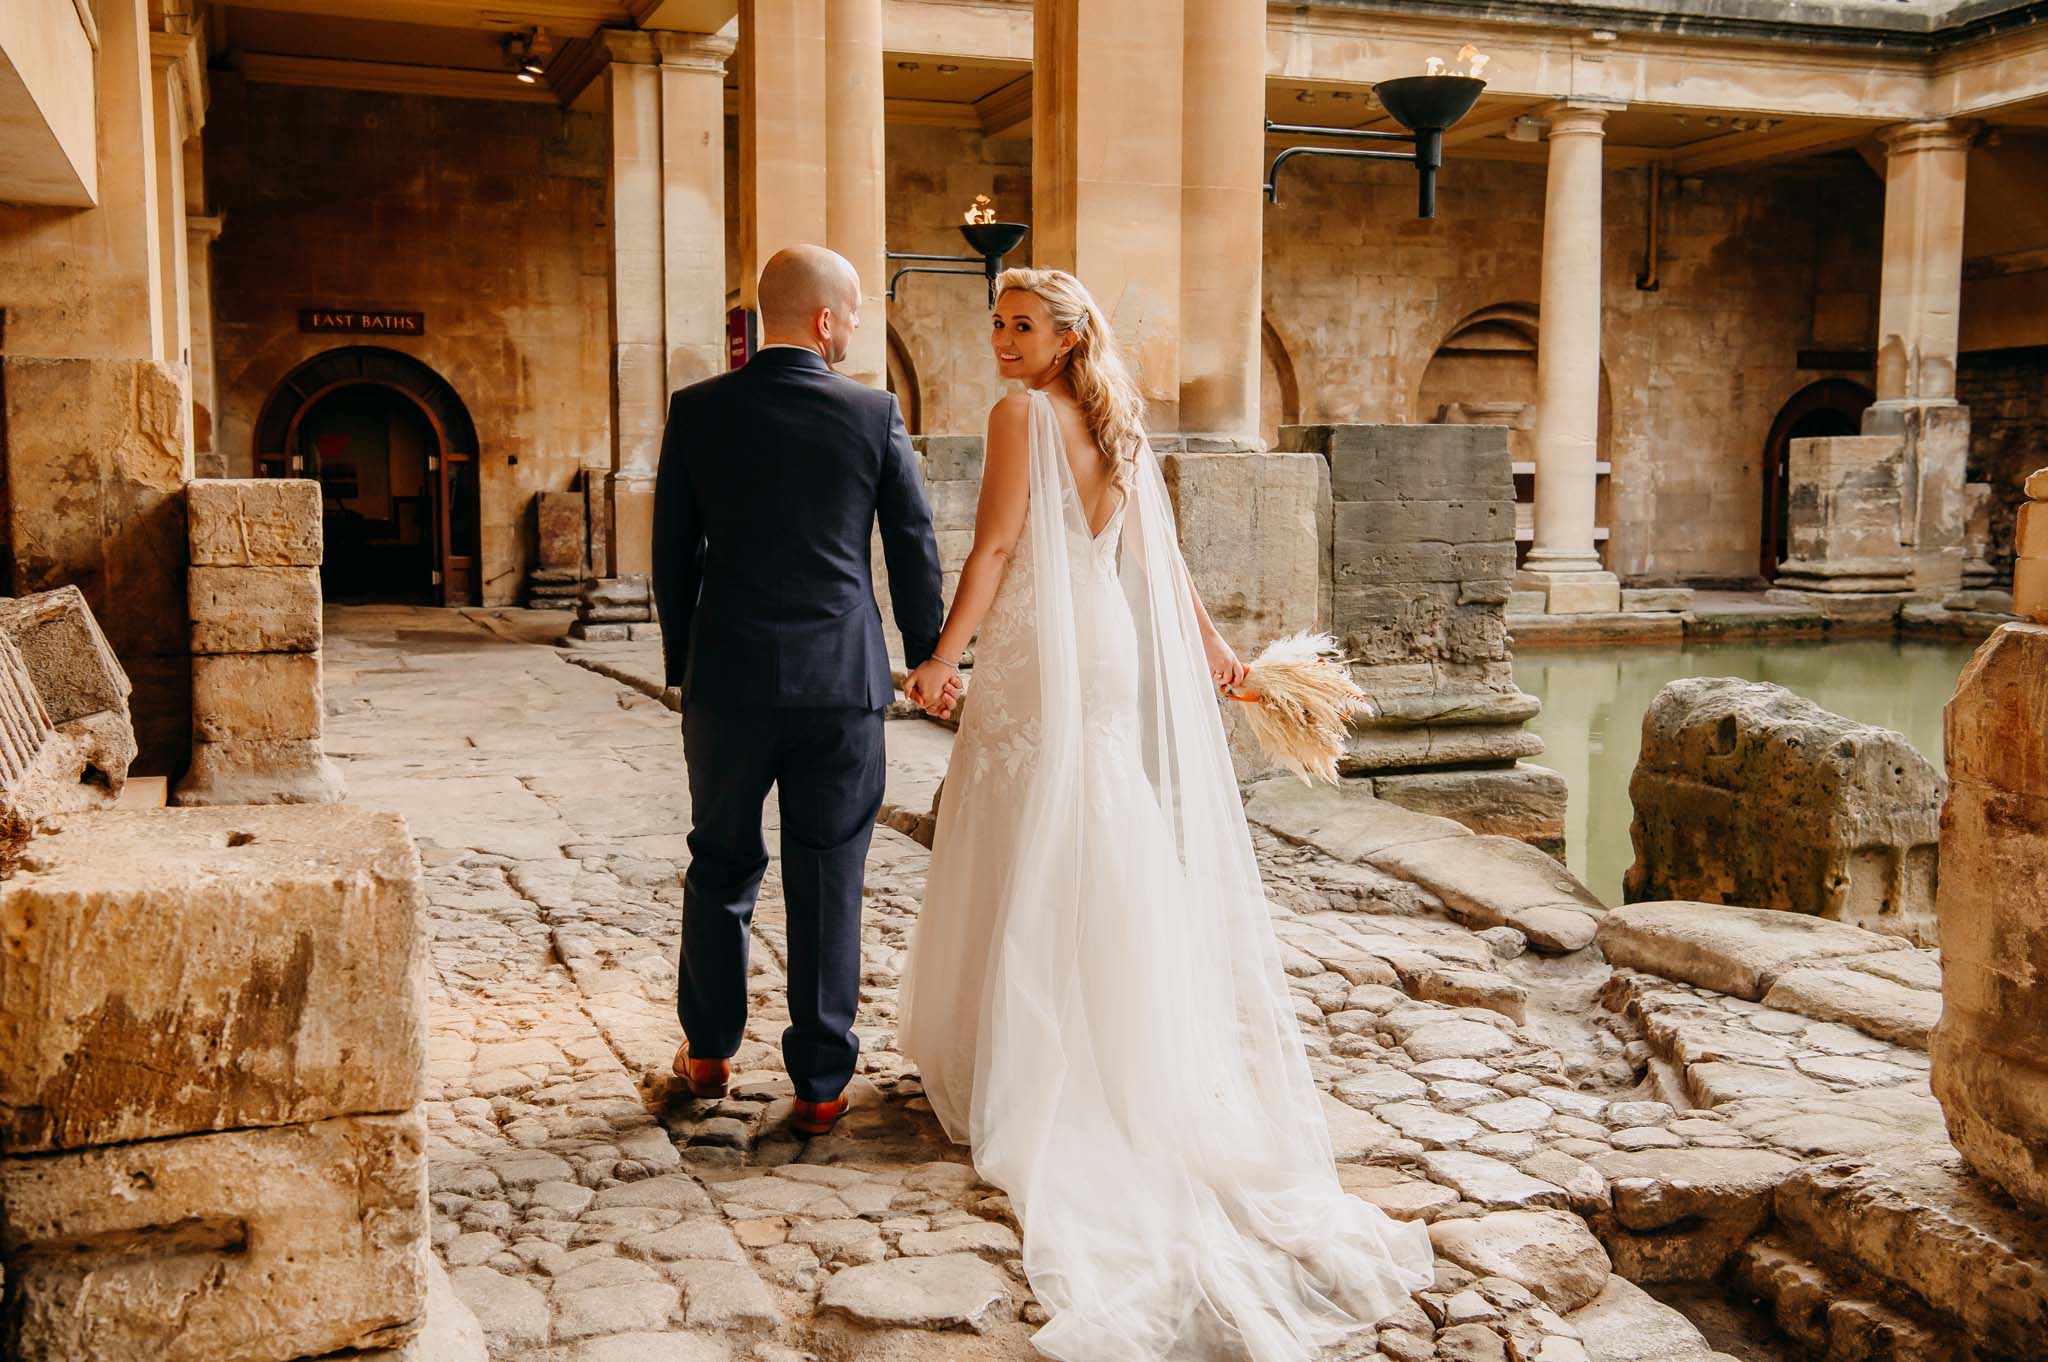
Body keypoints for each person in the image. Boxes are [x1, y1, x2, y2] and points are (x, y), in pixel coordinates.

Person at [898, 268, 1434, 1361]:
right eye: (995, 324)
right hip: (1101, 646)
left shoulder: (1021, 417)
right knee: (1096, 817)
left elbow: (995, 550)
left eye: (1021, 325)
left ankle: (1032, 1060)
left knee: (1023, 824)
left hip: (1040, 649)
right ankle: (1118, 1041)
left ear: (1065, 336)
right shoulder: (1117, 425)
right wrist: (1223, 661)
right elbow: (1162, 569)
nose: (1001, 340)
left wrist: (940, 660)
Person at [651, 244, 960, 1137]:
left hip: (731, 682)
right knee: (830, 876)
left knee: (721, 861)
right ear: (825, 321)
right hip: (841, 684)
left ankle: (708, 1050)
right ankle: (821, 1083)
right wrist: (929, 653)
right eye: (855, 313)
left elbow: (674, 555)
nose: (858, 327)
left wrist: (686, 666)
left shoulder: (699, 410)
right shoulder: (873, 412)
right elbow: (912, 547)